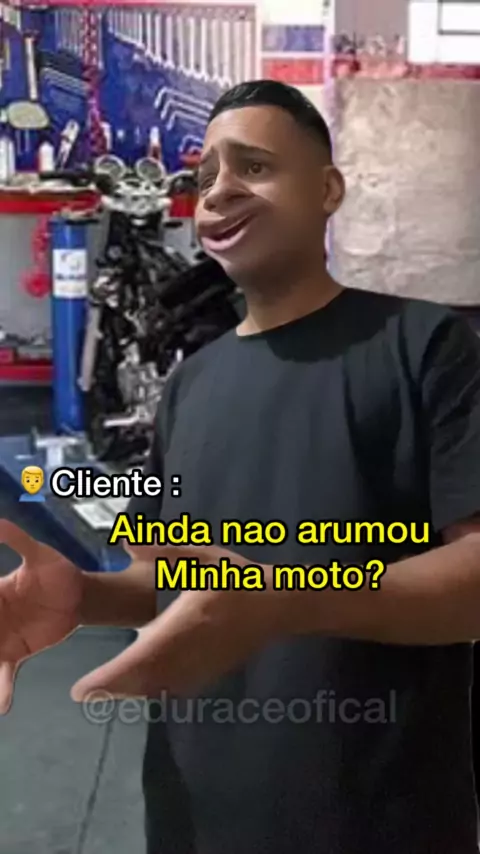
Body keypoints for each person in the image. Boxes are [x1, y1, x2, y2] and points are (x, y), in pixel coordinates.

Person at [2, 79, 480, 853]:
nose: (219, 192)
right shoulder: (193, 382)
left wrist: (287, 598)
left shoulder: (424, 347)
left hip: (370, 818)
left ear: (328, 190)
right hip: (194, 816)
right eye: (204, 177)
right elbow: (176, 583)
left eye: (253, 166)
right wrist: (80, 596)